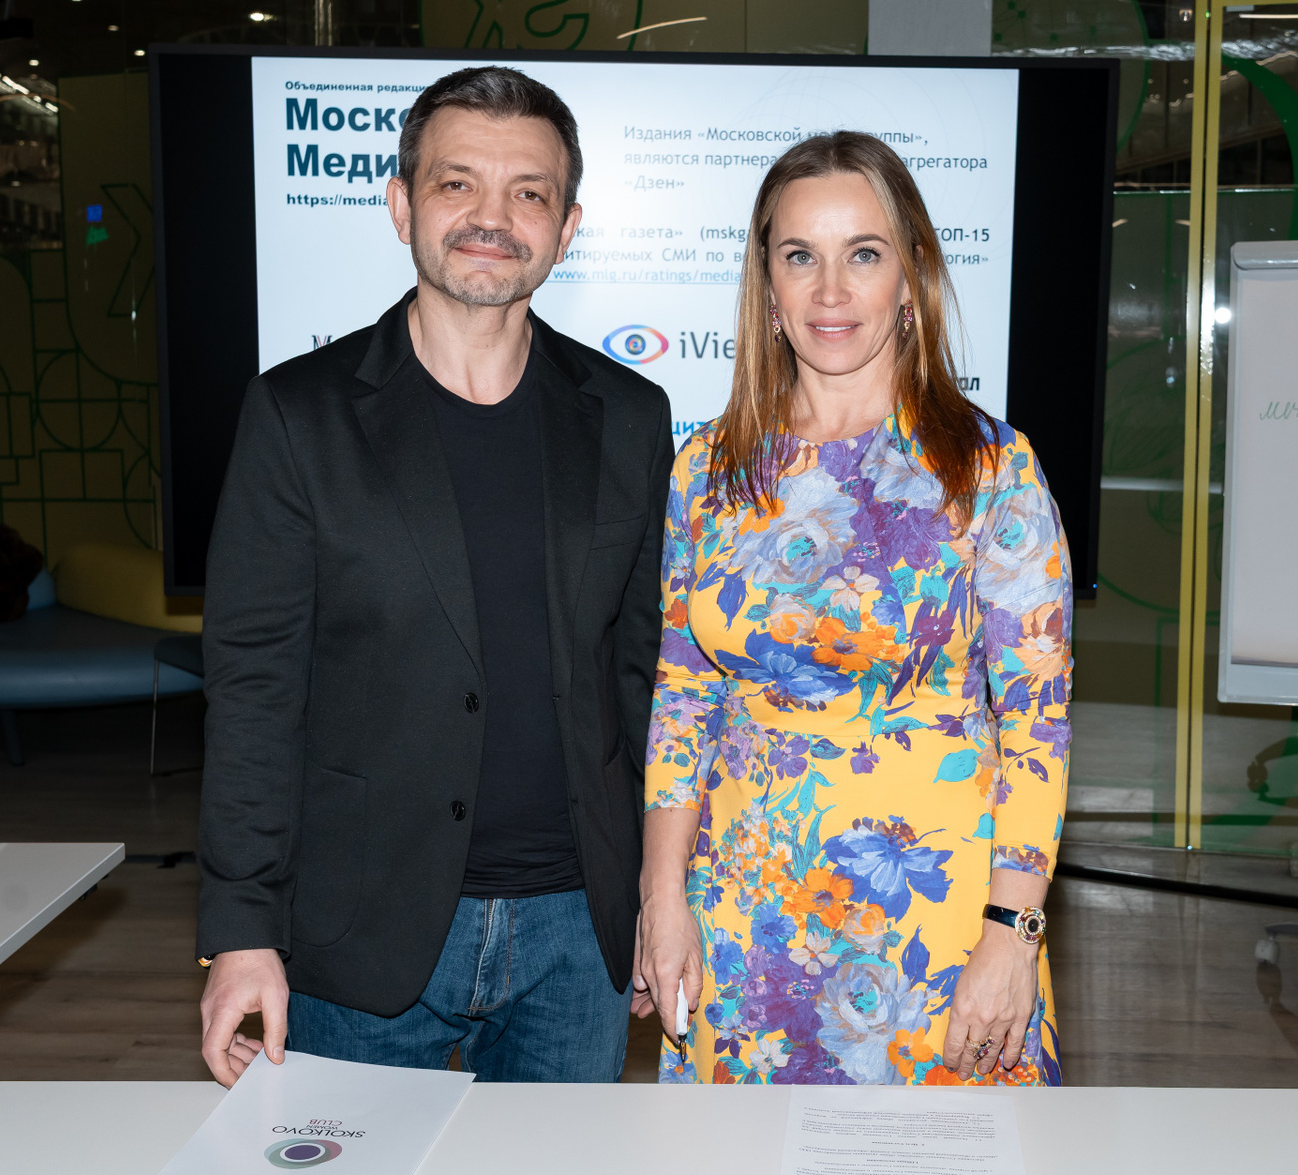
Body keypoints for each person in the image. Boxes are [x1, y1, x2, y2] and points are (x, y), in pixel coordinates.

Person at [196, 66, 673, 1087]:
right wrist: (242, 929)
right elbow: (254, 692)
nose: (492, 217)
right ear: (401, 204)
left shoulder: (632, 416)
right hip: (361, 923)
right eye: (458, 183)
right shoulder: (298, 415)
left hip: (575, 934)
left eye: (528, 192)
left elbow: (647, 680)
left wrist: (658, 897)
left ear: (567, 227)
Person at [632, 131, 1073, 1086]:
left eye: (862, 254)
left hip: (934, 927)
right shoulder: (707, 470)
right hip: (741, 917)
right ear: (768, 286)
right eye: (801, 256)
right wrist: (661, 897)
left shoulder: (990, 469)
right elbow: (683, 698)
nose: (830, 291)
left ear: (910, 277)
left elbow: (1036, 726)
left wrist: (1013, 932)